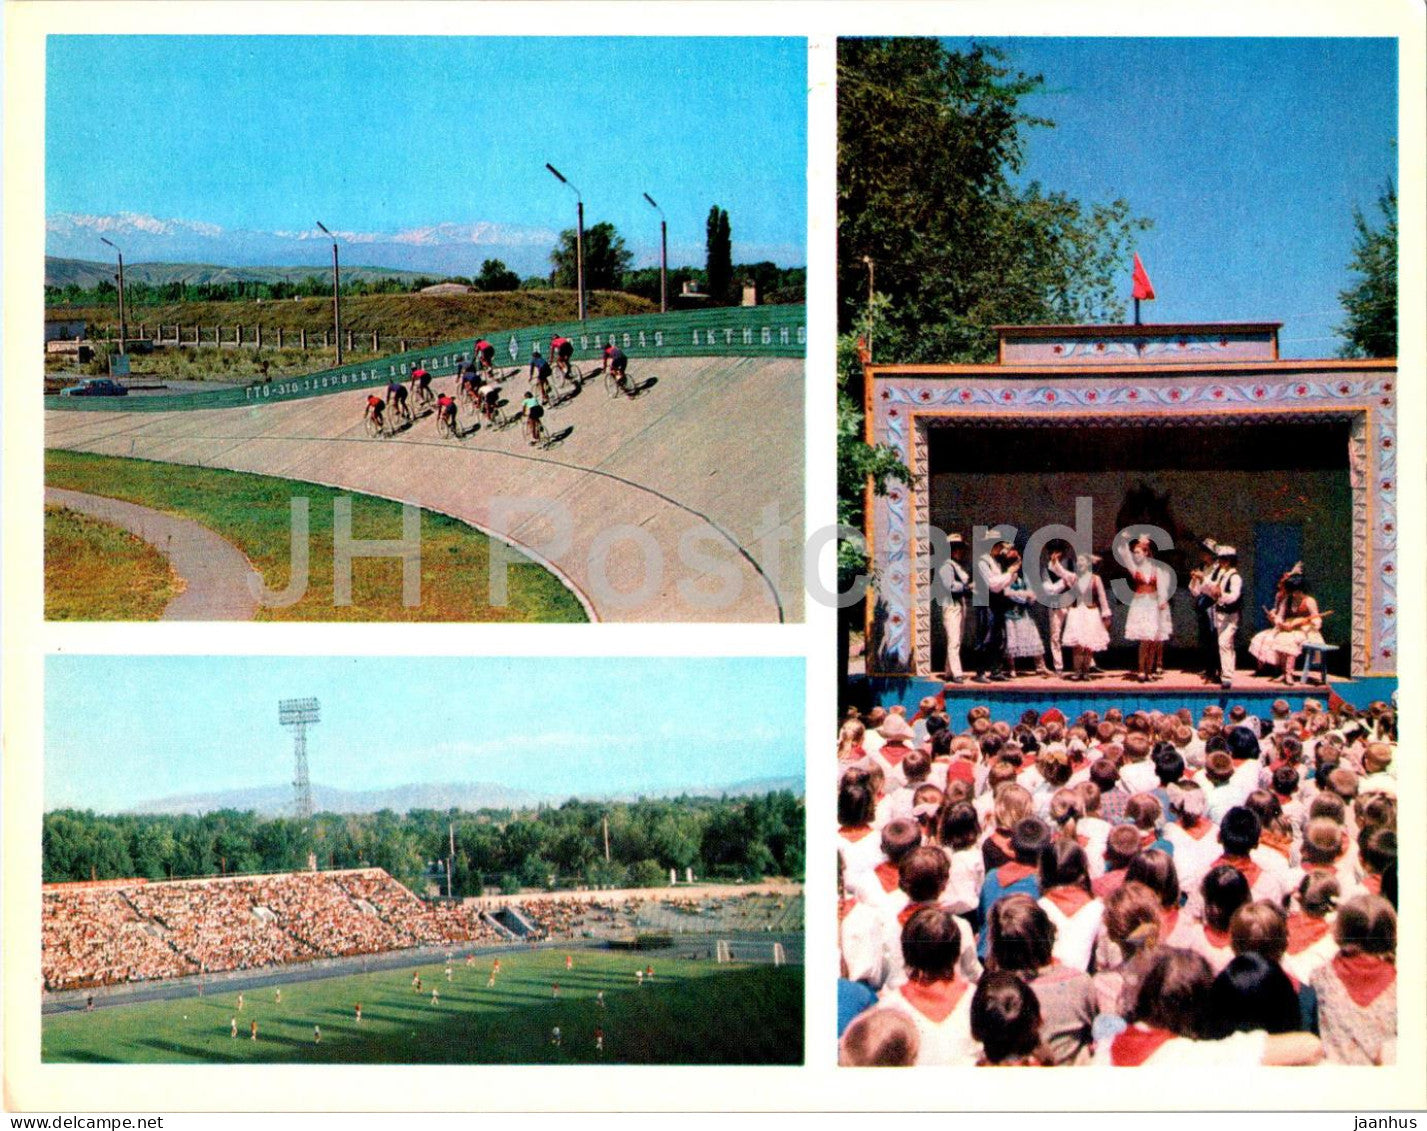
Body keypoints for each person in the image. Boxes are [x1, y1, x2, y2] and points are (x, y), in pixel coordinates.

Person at [1249, 568, 1324, 685]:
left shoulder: (1309, 600)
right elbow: (1280, 616)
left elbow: (1317, 618)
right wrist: (1281, 623)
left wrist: (1308, 622)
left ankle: (1289, 674)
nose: (1294, 594)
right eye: (1292, 591)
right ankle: (1283, 672)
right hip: (1289, 627)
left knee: (1290, 641)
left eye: (1297, 591)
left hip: (1305, 629)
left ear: (1301, 589)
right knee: (1280, 638)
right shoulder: (1287, 600)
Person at [1117, 535, 1171, 683]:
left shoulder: (1156, 568)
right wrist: (1124, 540)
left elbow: (1161, 587)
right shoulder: (1135, 568)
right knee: (1144, 640)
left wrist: (1162, 601)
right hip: (1140, 605)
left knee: (1152, 640)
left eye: (1138, 552)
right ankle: (1141, 669)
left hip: (1153, 605)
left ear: (1146, 552)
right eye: (1135, 552)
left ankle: (1149, 669)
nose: (1136, 555)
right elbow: (1124, 554)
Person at [1059, 553, 1112, 681]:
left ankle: (1086, 671)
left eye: (1082, 561)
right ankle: (1077, 671)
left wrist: (1106, 614)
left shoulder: (1095, 579)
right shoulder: (1073, 578)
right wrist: (1055, 561)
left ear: (1088, 564)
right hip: (1076, 612)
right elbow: (1060, 571)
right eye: (1078, 562)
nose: (1080, 564)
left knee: (1088, 644)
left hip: (1090, 612)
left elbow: (1102, 597)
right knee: (1077, 644)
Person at [973, 540, 1019, 683]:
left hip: (996, 603)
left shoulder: (997, 562)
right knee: (984, 637)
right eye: (999, 546)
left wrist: (1012, 571)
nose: (1001, 549)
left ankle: (995, 670)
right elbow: (993, 585)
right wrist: (1009, 573)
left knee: (998, 638)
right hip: (985, 603)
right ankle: (980, 672)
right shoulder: (983, 562)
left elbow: (1003, 583)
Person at [1002, 551, 1049, 677]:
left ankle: (1041, 666)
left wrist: (1031, 596)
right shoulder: (1006, 576)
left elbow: (1031, 592)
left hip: (1023, 611)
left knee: (1032, 635)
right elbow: (1007, 592)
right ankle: (1011, 668)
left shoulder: (1022, 578)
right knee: (1012, 639)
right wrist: (1023, 595)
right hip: (1010, 611)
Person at [1205, 545, 1244, 689]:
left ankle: (1227, 676)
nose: (1221, 562)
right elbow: (1212, 588)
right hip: (1220, 613)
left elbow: (1233, 596)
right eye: (1220, 559)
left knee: (1224, 643)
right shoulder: (1222, 574)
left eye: (1224, 559)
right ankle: (1228, 672)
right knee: (1227, 644)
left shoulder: (1235, 577)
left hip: (1231, 615)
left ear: (1230, 560)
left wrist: (1221, 594)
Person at [936, 534, 973, 683]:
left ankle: (949, 671)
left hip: (959, 603)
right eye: (956, 548)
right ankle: (957, 672)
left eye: (960, 548)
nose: (960, 551)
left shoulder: (956, 565)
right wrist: (967, 587)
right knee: (954, 639)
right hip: (951, 604)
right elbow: (950, 586)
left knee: (957, 638)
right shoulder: (946, 565)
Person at [1189, 538, 1225, 683]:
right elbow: (1195, 590)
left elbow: (1216, 589)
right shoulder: (1202, 567)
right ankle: (1209, 667)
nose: (1202, 555)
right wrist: (1195, 579)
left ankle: (1217, 669)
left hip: (1215, 606)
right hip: (1204, 605)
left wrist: (1203, 578)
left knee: (1214, 637)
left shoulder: (1219, 569)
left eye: (1205, 552)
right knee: (1205, 638)